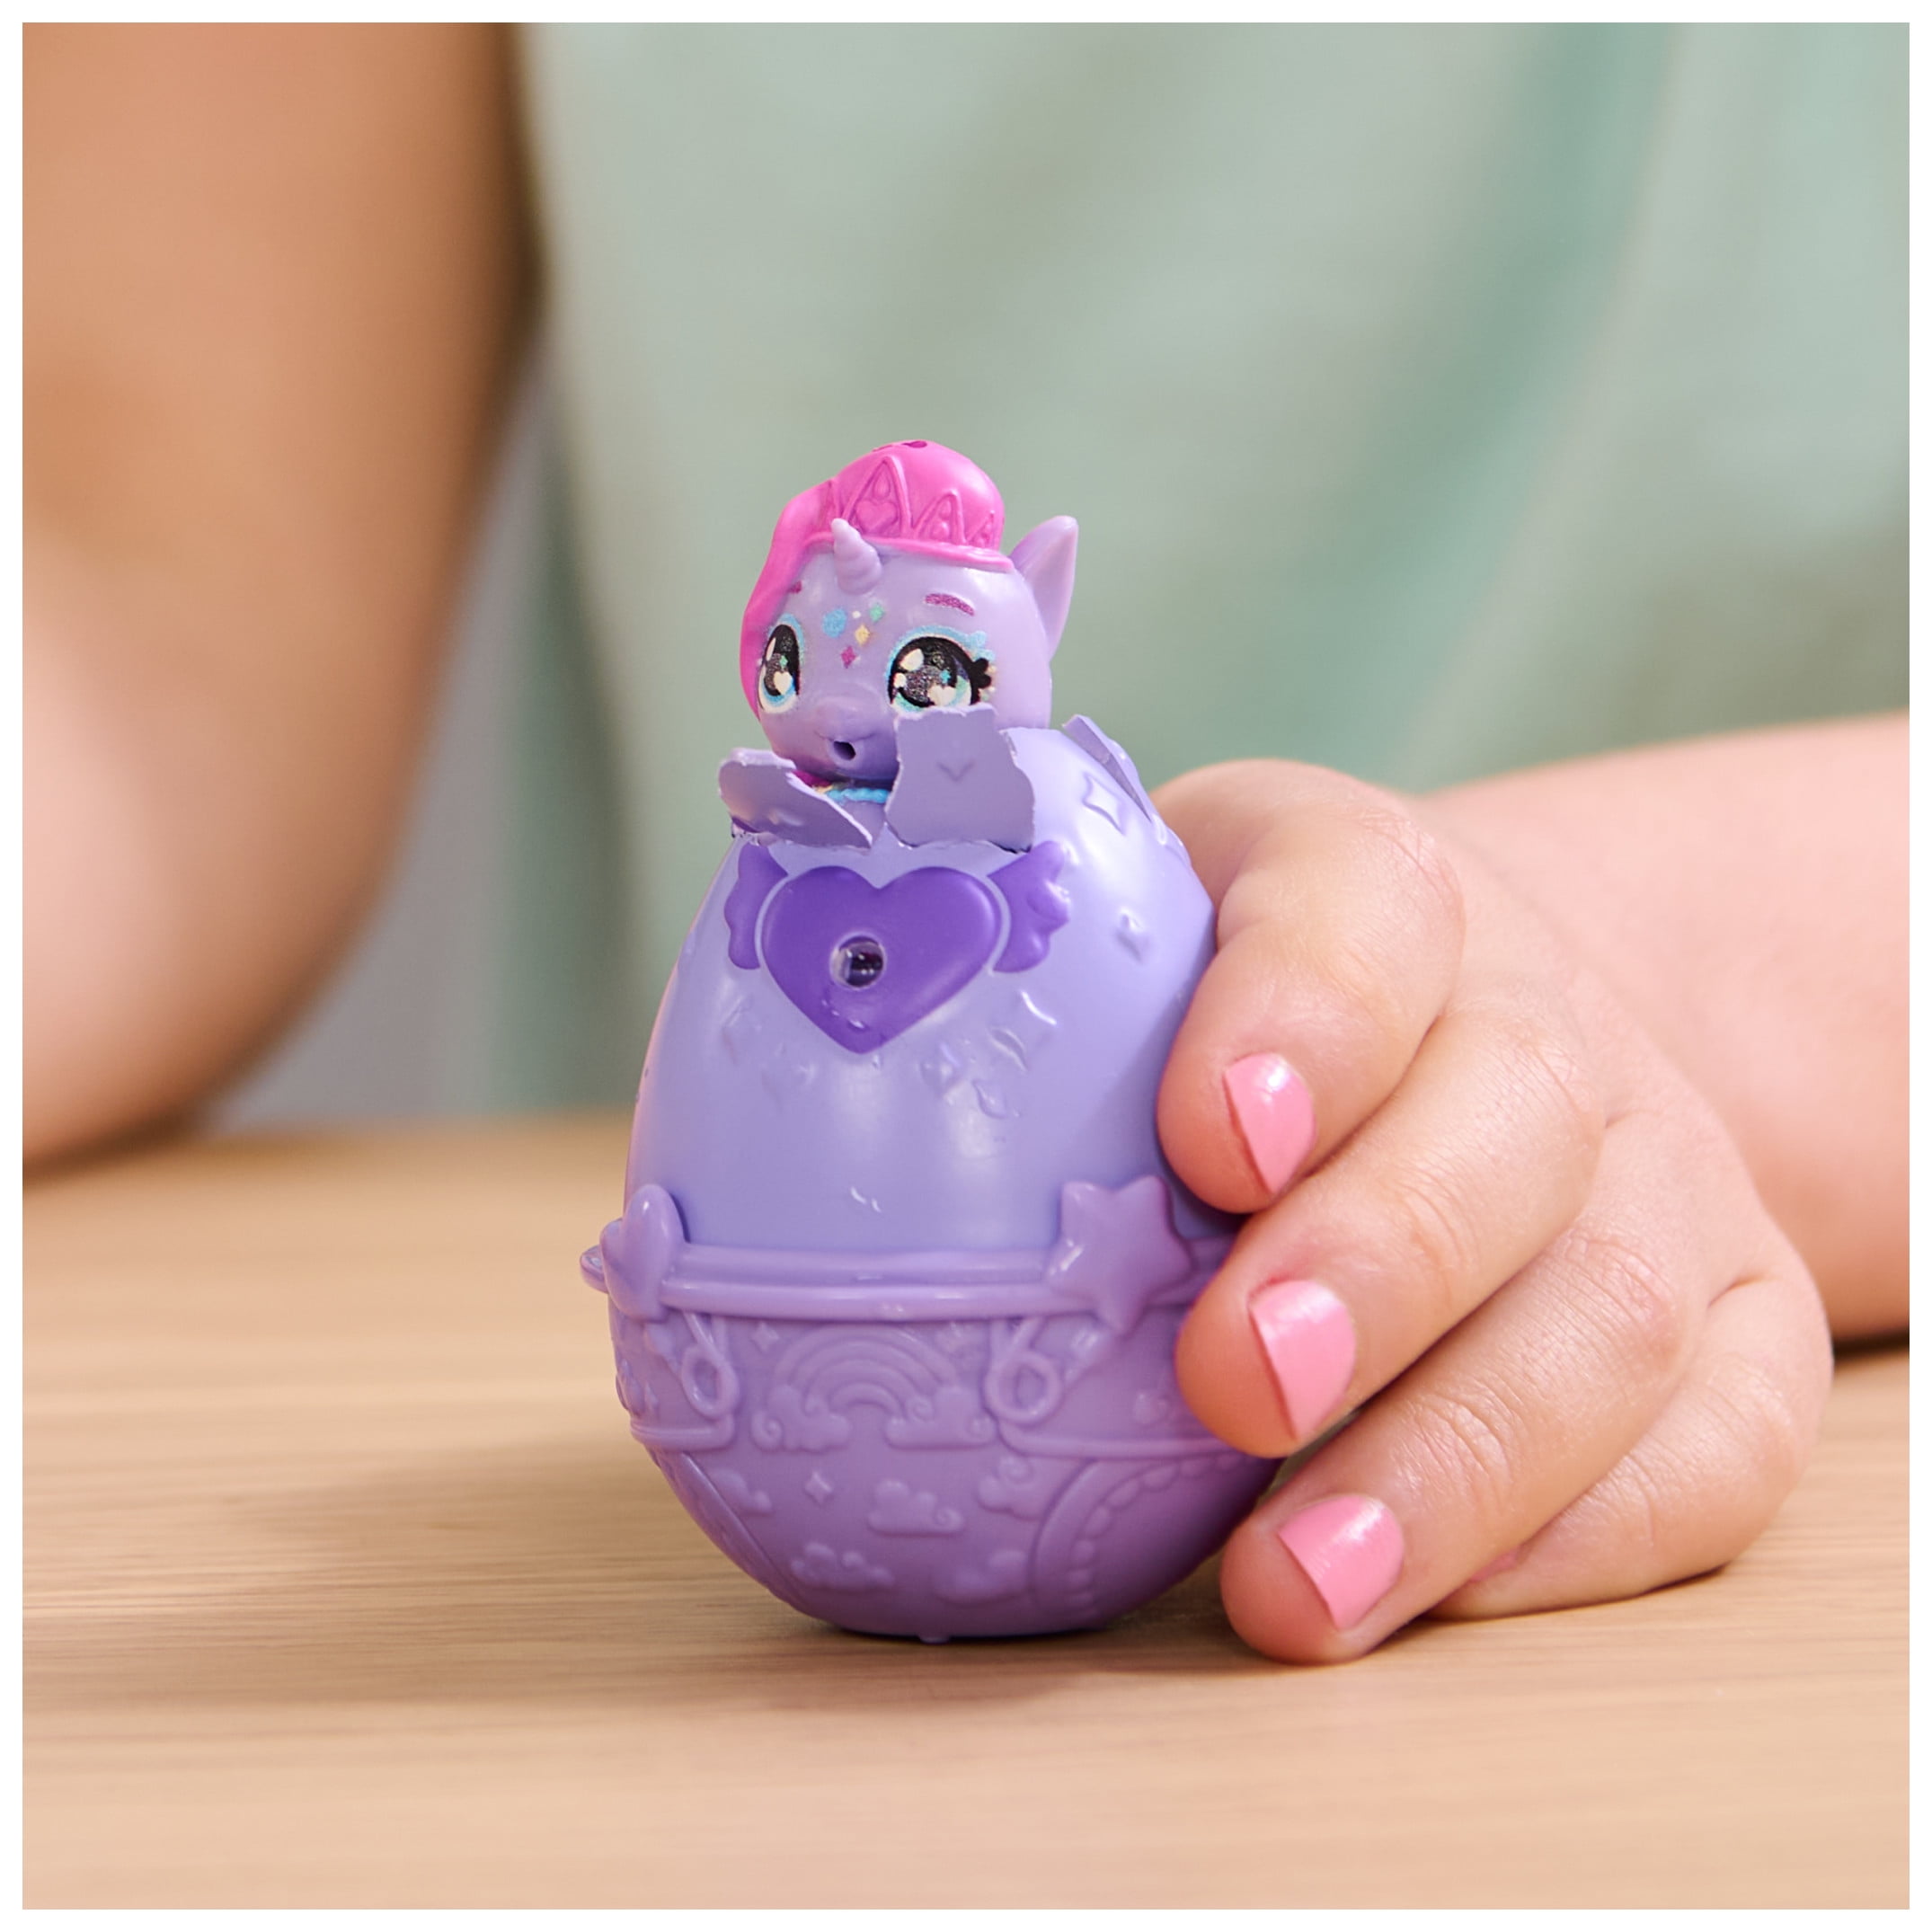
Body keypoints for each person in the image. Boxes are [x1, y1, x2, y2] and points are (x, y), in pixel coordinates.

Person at [25, 23, 1905, 1664]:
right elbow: (133, 574)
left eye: (918, 661)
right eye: (808, 660)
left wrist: (1614, 996)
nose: (853, 705)